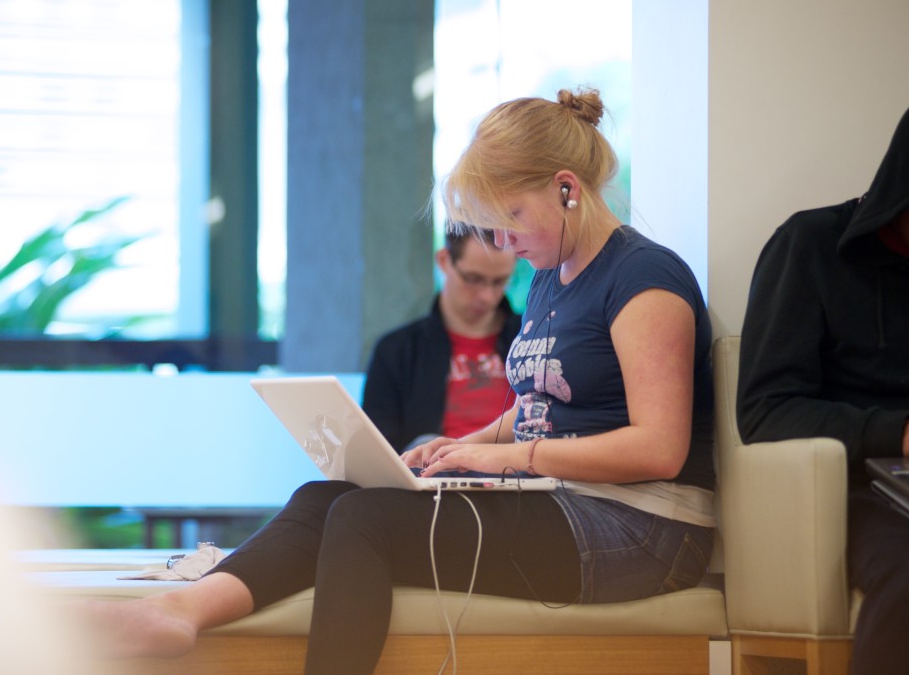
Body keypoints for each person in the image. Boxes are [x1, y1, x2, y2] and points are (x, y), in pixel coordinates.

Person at [83, 89, 717, 675]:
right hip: (562, 497)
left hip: (642, 527)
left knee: (368, 519)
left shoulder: (644, 280)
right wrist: (463, 444)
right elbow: (538, 406)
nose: (501, 241)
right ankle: (178, 612)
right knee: (323, 495)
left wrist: (502, 458)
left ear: (567, 189)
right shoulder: (552, 274)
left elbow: (658, 448)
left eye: (511, 218)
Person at [737, 81, 909, 675]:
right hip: (863, 489)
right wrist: (902, 433)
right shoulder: (813, 248)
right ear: (906, 189)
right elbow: (765, 414)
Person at [363, 226, 520, 452]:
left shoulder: (535, 339)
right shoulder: (397, 351)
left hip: (517, 470)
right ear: (444, 260)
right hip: (434, 475)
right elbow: (378, 449)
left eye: (499, 282)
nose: (486, 296)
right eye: (473, 279)